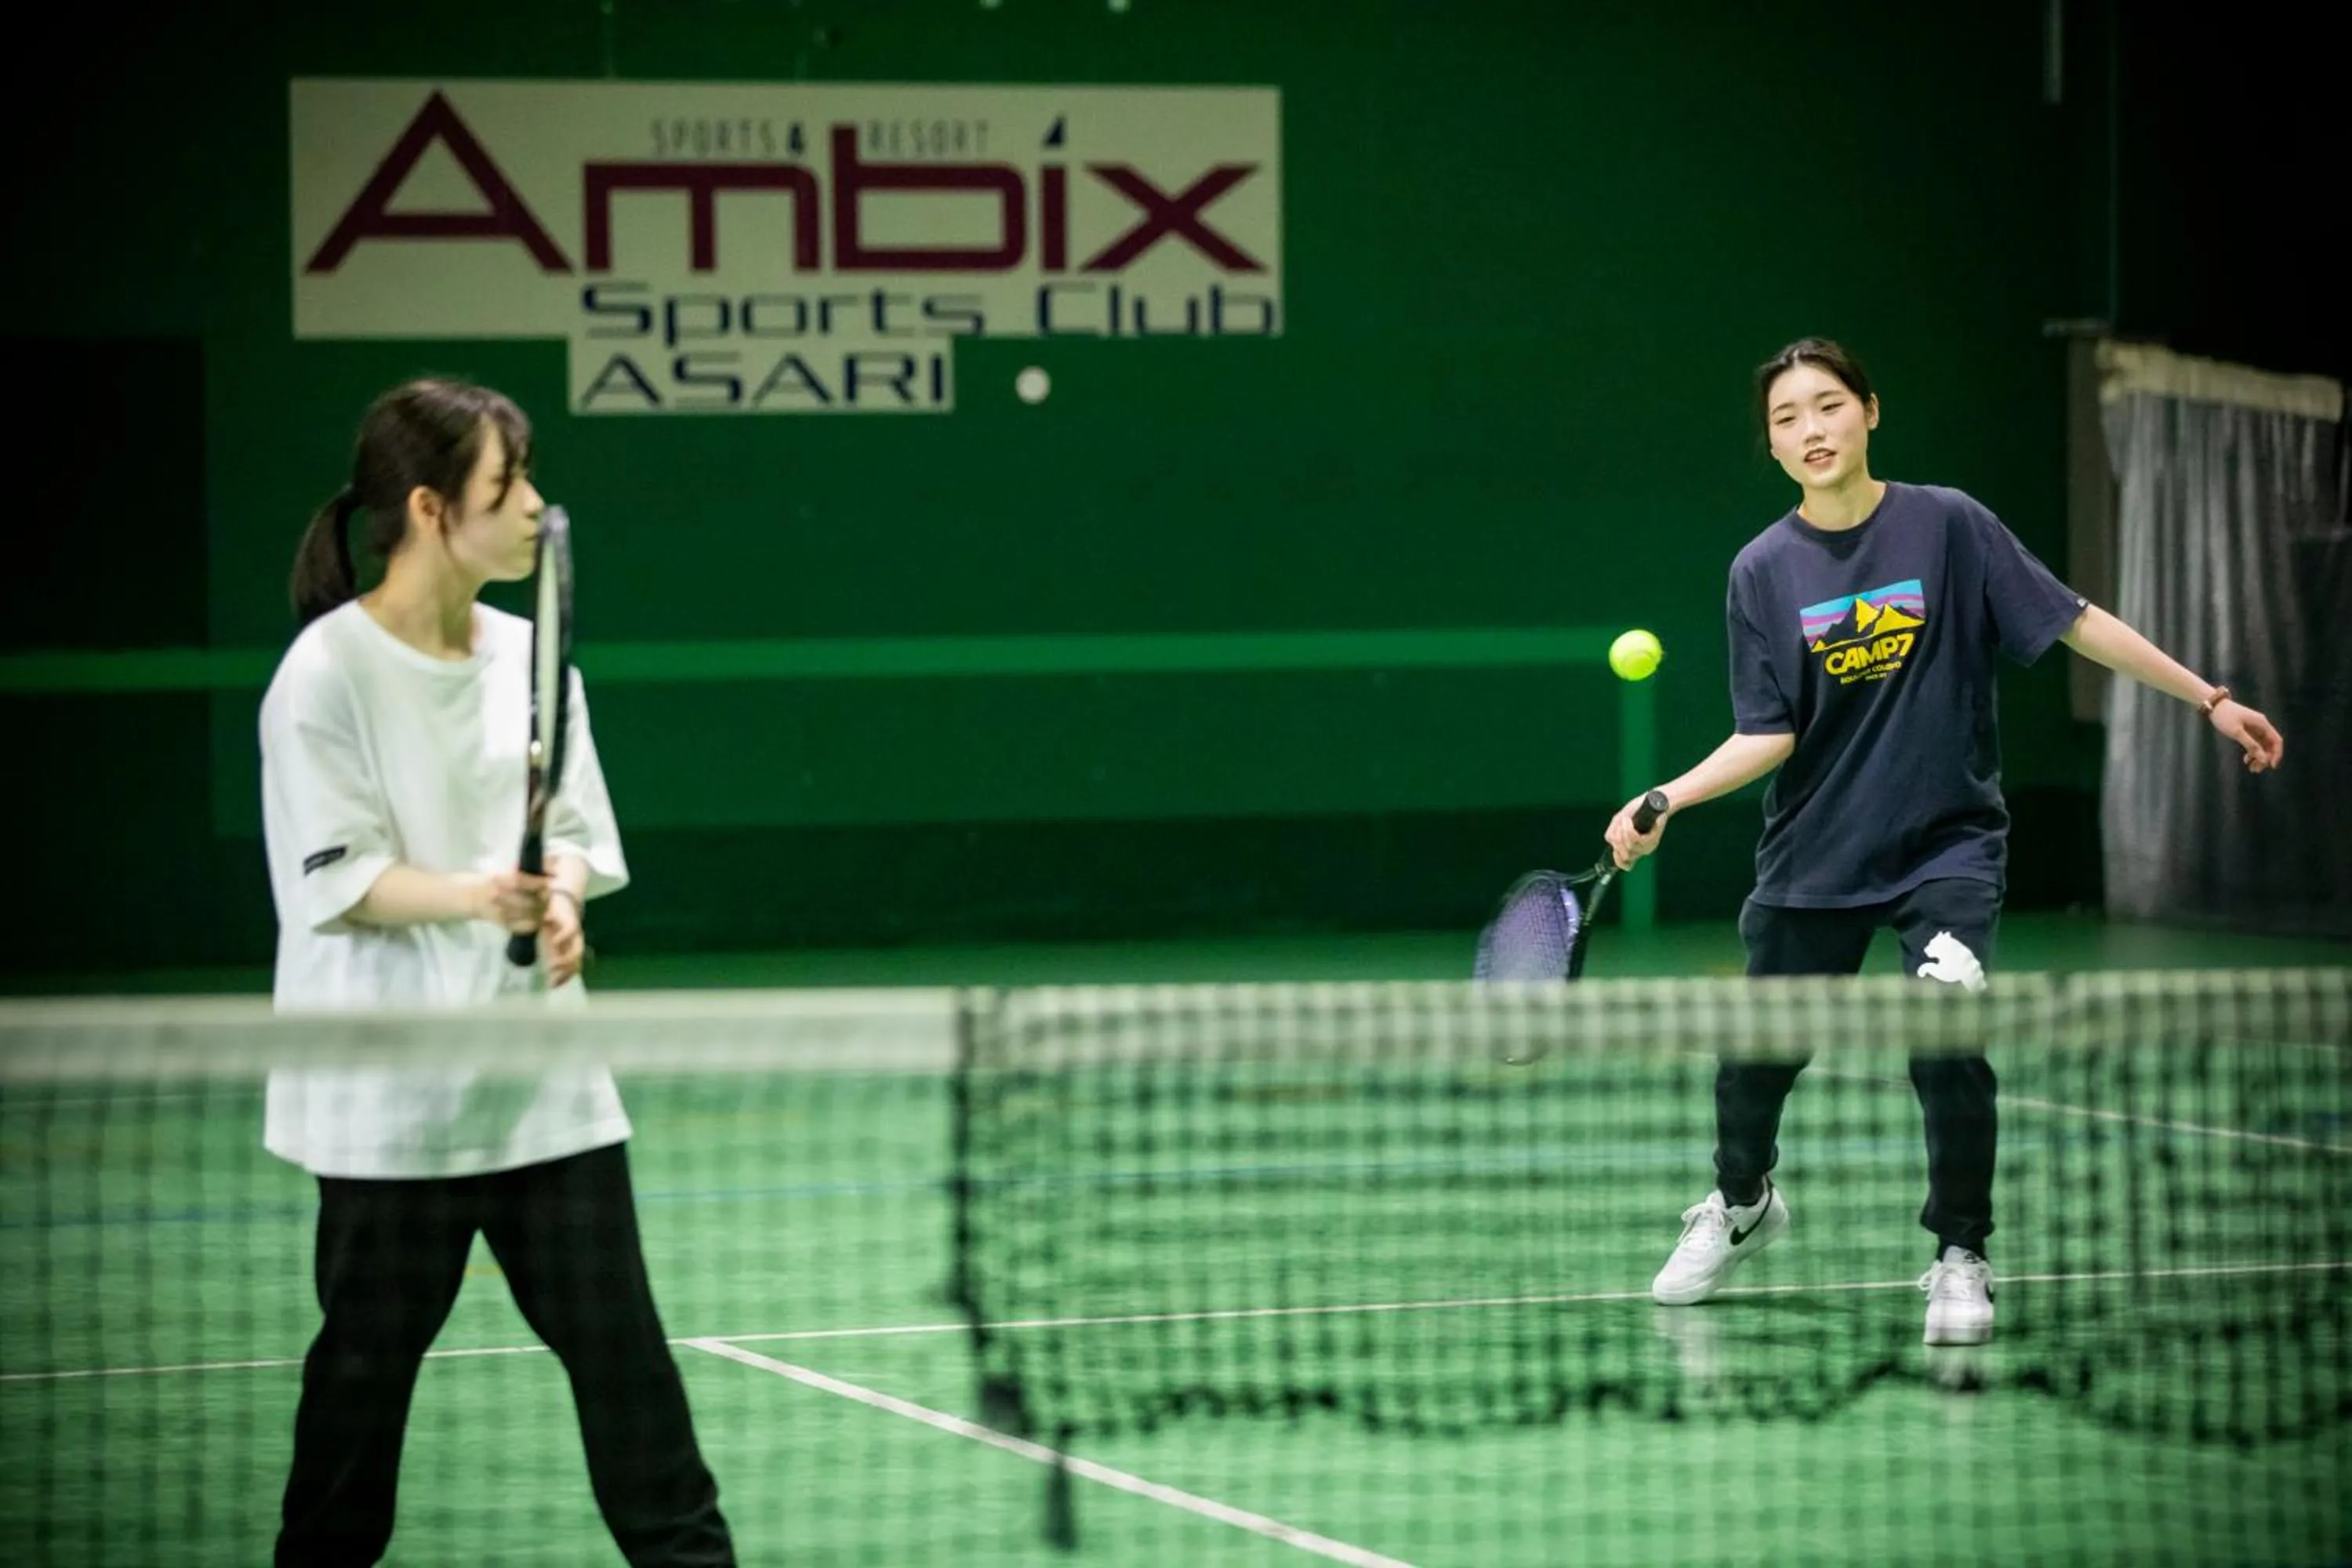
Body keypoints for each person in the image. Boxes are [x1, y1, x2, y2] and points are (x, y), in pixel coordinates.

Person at [1606, 339, 2284, 1346]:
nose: (1811, 430)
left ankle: (1959, 1250)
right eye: (1787, 418)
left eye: (1828, 406)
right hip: (1817, 852)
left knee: (1945, 1041)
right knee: (1759, 1054)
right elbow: (1769, 732)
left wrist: (2209, 697)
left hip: (1946, 849)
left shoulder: (1949, 525)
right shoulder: (1762, 569)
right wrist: (1669, 793)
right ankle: (1742, 1202)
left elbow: (2075, 620)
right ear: (1773, 442)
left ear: (1869, 412)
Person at [259, 377, 734, 1566]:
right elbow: (340, 882)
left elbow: (570, 829)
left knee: (628, 1371)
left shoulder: (532, 656)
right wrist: (484, 894)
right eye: (505, 484)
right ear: (429, 509)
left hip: (542, 1092)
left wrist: (561, 898)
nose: (534, 506)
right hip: (391, 1105)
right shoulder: (326, 677)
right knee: (360, 1393)